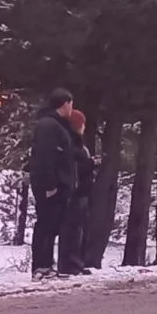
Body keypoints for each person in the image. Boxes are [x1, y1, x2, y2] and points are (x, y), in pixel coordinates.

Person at [28, 88, 78, 280]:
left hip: (58, 183)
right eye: (71, 104)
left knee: (52, 225)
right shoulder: (48, 126)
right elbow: (45, 156)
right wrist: (50, 184)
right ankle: (41, 267)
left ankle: (47, 266)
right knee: (46, 225)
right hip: (50, 185)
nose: (72, 108)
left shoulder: (56, 125)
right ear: (65, 103)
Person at [58, 109, 96, 275]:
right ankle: (70, 265)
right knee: (72, 229)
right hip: (75, 191)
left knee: (78, 229)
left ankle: (77, 263)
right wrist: (90, 164)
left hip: (81, 190)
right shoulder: (71, 144)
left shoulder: (77, 143)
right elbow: (74, 167)